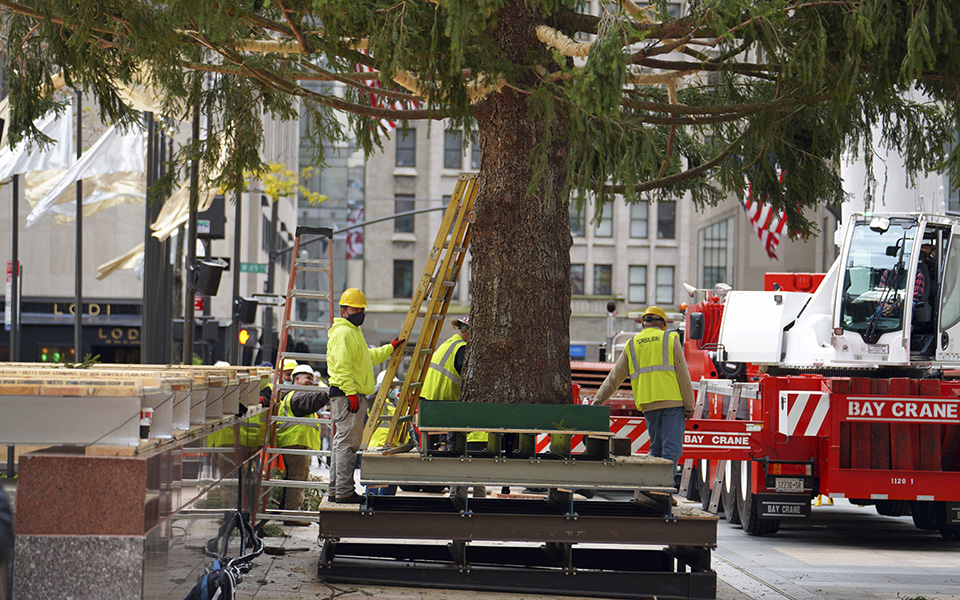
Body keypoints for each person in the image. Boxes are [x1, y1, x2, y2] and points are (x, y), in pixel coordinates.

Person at [592, 306, 694, 473]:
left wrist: (597, 402)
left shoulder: (632, 344)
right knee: (671, 449)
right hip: (672, 403)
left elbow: (614, 377)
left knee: (656, 449)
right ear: (663, 324)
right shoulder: (670, 338)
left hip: (648, 404)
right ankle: (664, 494)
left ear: (643, 324)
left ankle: (654, 491)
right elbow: (683, 374)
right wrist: (689, 405)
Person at [326, 288, 403, 504]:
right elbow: (342, 367)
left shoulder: (351, 332)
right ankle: (343, 492)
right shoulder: (344, 333)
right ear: (344, 311)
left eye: (361, 309)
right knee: (346, 445)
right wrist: (350, 393)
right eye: (355, 308)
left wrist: (390, 348)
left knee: (342, 444)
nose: (360, 312)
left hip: (349, 395)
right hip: (347, 396)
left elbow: (366, 358)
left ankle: (337, 490)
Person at [421, 315, 487, 498]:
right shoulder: (461, 349)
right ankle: (458, 498)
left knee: (456, 455)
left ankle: (457, 497)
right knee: (460, 456)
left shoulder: (447, 344)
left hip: (436, 405)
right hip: (447, 407)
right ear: (469, 332)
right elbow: (472, 379)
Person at [275, 364, 329, 523]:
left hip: (295, 441)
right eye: (308, 378)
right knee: (298, 477)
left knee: (294, 476)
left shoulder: (293, 395)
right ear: (296, 379)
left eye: (312, 379)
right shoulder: (297, 395)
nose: (311, 381)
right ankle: (292, 514)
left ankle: (287, 511)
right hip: (295, 441)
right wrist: (328, 392)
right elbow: (311, 402)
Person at [365, 371, 406, 496]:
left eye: (396, 386)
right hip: (378, 447)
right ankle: (371, 508)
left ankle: (385, 509)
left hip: (395, 449)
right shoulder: (377, 402)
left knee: (390, 485)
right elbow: (369, 395)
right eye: (392, 386)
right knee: (374, 483)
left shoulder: (399, 403)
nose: (395, 389)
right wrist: (384, 386)